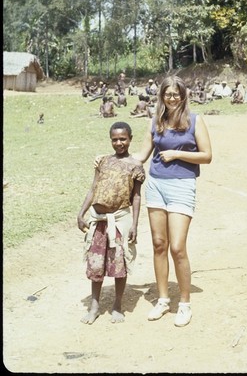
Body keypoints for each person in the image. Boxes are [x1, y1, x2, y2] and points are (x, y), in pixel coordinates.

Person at [134, 76, 212, 327]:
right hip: (156, 185)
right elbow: (142, 155)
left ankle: (185, 304)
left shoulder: (195, 120)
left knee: (177, 247)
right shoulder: (155, 120)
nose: (172, 98)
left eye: (176, 94)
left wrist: (178, 154)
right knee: (159, 244)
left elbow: (207, 156)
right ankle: (163, 300)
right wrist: (112, 158)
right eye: (167, 94)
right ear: (162, 96)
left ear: (183, 95)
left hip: (182, 185)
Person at [77, 122, 145, 325]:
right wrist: (81, 213)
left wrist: (134, 224)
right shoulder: (103, 162)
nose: (119, 143)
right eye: (115, 139)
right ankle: (95, 306)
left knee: (119, 263)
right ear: (110, 140)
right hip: (98, 220)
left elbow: (136, 197)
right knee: (96, 263)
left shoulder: (135, 166)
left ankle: (117, 305)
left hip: (120, 220)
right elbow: (93, 188)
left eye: (123, 139)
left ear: (130, 139)